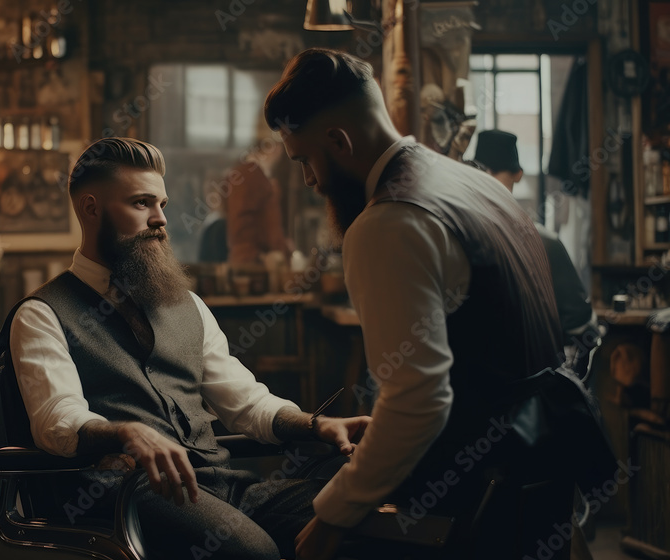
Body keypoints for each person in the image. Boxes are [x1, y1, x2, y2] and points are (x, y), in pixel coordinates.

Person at [263, 49, 597, 559]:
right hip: (536, 469)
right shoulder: (477, 184)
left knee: (271, 521)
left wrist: (334, 516)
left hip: (467, 502)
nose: (310, 180)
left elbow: (418, 403)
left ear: (338, 140)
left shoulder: (388, 222)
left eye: (306, 160)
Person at [0, 137, 370, 560]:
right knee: (253, 553)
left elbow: (246, 403)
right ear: (91, 209)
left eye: (161, 203)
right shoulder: (42, 314)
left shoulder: (188, 306)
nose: (160, 219)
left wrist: (315, 425)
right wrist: (127, 433)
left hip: (222, 484)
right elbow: (57, 422)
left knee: (353, 519)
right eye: (141, 203)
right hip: (124, 495)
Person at [473, 129, 598, 354]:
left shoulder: (459, 237)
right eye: (486, 173)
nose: (489, 181)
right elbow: (579, 323)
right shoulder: (543, 242)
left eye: (494, 172)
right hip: (529, 375)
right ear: (518, 174)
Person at [224, 125, 290, 266]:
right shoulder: (249, 175)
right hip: (253, 268)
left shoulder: (255, 176)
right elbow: (241, 232)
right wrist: (262, 258)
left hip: (259, 265)